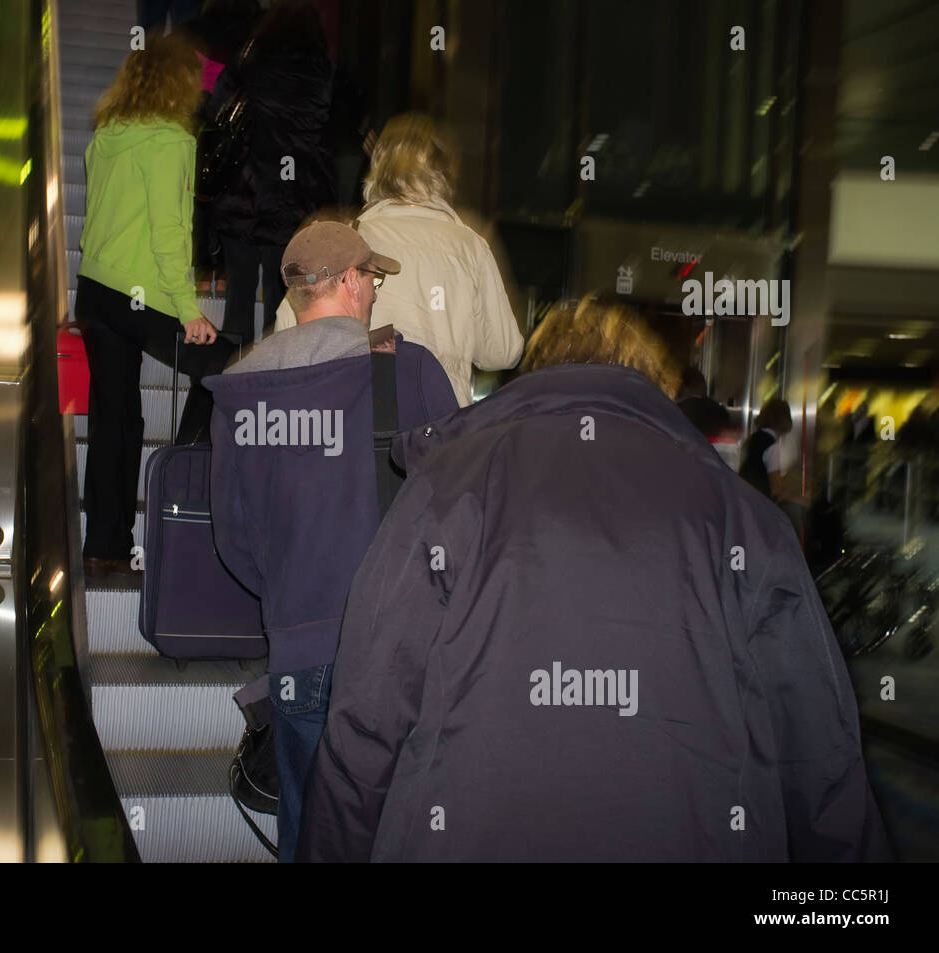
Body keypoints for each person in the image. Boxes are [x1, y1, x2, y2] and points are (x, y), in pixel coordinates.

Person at [299, 294, 891, 862]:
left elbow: (366, 723)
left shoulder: (446, 488)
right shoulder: (742, 517)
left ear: (535, 374)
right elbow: (822, 760)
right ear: (652, 385)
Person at [204, 221, 458, 861]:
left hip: (300, 653)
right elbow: (459, 509)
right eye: (371, 278)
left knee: (308, 831)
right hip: (401, 653)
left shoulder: (242, 395)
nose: (373, 292)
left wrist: (293, 599)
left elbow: (234, 537)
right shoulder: (410, 373)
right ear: (348, 282)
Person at [76, 30, 233, 578]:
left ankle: (105, 549)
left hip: (96, 293)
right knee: (225, 366)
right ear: (179, 85)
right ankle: (187, 490)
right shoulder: (170, 141)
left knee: (115, 421)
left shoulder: (106, 134)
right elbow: (169, 235)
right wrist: (189, 310)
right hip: (137, 295)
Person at [272, 113, 524, 406]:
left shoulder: (345, 240)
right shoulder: (471, 246)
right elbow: (503, 352)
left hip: (361, 420)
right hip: (440, 427)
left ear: (377, 170)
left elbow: (288, 332)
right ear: (443, 174)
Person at [209, 0, 337, 347]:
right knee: (279, 309)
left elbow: (216, 106)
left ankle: (227, 388)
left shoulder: (251, 57)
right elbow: (325, 133)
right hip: (292, 204)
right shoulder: (322, 70)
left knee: (237, 306)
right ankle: (267, 390)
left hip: (243, 196)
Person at [739, 398, 793, 500]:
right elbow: (775, 485)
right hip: (760, 500)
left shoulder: (752, 439)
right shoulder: (772, 447)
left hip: (745, 496)